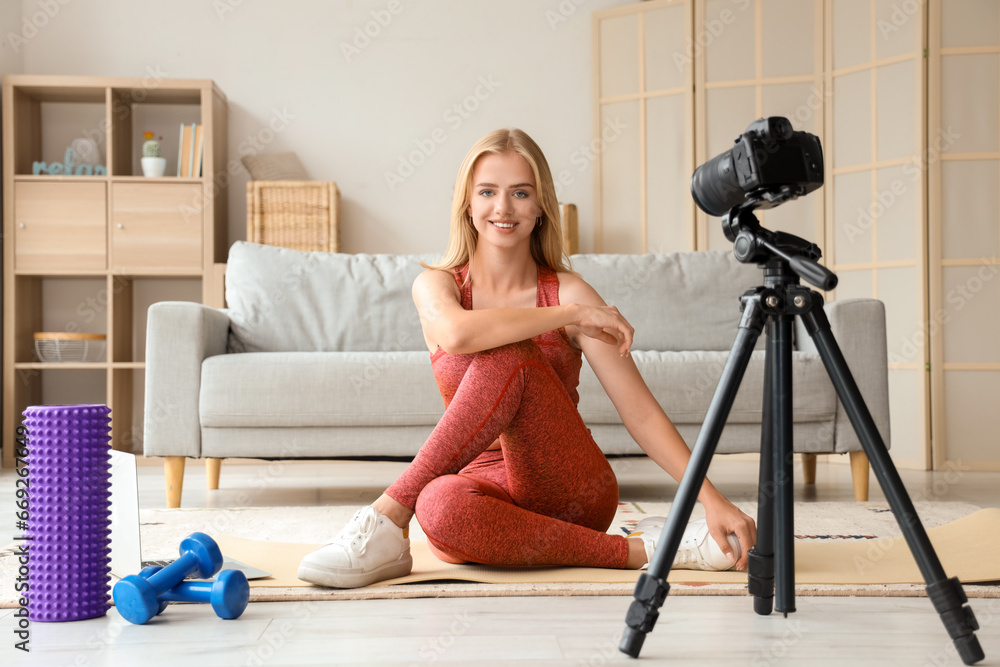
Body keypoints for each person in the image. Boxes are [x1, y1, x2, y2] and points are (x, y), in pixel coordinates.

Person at [298, 128, 757, 589]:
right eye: (487, 192)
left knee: (508, 356)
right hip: (485, 486)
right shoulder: (439, 286)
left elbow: (640, 413)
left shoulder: (568, 289)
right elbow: (458, 335)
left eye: (520, 192)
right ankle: (648, 550)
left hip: (567, 486)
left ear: (540, 206)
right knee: (437, 503)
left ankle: (384, 518)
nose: (503, 208)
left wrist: (711, 498)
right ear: (468, 205)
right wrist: (572, 315)